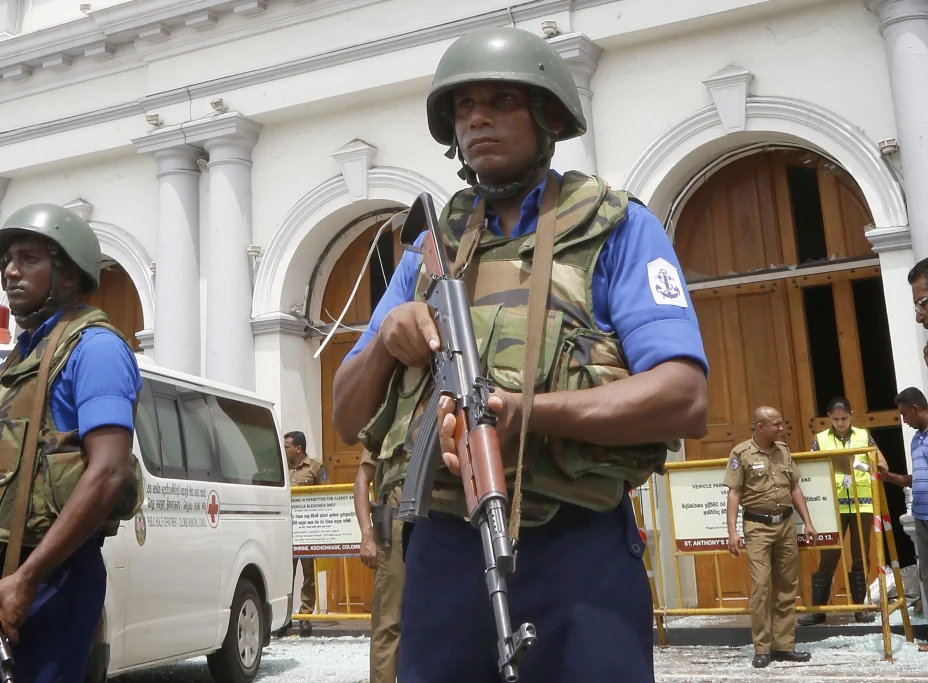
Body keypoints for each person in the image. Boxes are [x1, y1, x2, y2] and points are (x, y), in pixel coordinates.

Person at [332, 26, 709, 682]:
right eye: (462, 106)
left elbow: (683, 394)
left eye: (501, 99)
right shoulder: (430, 251)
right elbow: (345, 411)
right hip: (445, 546)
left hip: (575, 543)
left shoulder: (614, 228)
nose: (477, 117)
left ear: (548, 116)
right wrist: (390, 337)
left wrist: (527, 413)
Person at [0, 204, 142, 683]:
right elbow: (15, 478)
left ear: (70, 276)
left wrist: (27, 580)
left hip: (50, 581)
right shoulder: (22, 359)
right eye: (8, 260)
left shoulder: (95, 348)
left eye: (29, 258)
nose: (10, 271)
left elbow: (110, 471)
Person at [724, 406, 816, 668]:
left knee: (787, 586)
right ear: (760, 426)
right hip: (757, 527)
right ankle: (762, 647)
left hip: (786, 525)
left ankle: (784, 645)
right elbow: (734, 493)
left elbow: (795, 487)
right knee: (762, 587)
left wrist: (808, 522)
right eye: (775, 424)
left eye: (780, 424)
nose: (781, 428)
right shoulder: (741, 453)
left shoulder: (783, 451)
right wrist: (732, 531)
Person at [799, 396, 888, 625]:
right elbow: (811, 469)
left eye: (844, 418)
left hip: (863, 503)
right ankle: (818, 610)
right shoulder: (820, 439)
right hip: (834, 505)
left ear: (852, 415)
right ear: (829, 417)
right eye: (836, 419)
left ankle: (860, 608)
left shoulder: (863, 435)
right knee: (829, 554)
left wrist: (859, 464)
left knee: (860, 555)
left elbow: (883, 466)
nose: (840, 423)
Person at [877, 387, 928, 649]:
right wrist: (888, 477)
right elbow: (914, 479)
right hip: (921, 516)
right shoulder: (916, 441)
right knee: (927, 576)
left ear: (916, 409)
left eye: (905, 414)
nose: (904, 421)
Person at [353, 448, 405, 683]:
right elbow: (363, 479)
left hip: (441, 524)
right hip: (396, 530)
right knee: (388, 623)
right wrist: (366, 534)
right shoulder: (391, 415)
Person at [286, 430, 328, 631]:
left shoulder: (316, 467)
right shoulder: (282, 468)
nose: (284, 450)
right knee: (286, 573)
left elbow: (327, 493)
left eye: (287, 446)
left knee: (308, 573)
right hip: (285, 530)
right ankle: (284, 617)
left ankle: (305, 614)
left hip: (308, 529)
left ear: (298, 448)